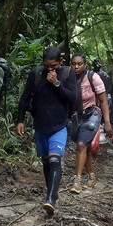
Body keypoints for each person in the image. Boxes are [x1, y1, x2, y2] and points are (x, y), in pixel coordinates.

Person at [16, 47, 76, 215]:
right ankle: (51, 192)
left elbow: (72, 97)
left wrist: (56, 83)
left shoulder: (67, 74)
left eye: (54, 66)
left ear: (60, 62)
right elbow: (25, 98)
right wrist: (20, 120)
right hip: (40, 126)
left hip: (59, 125)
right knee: (45, 162)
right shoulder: (35, 74)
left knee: (55, 160)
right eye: (47, 66)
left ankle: (51, 199)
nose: (50, 69)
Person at [68, 53, 113, 194]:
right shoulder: (67, 77)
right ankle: (92, 177)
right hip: (76, 115)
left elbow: (104, 100)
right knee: (84, 146)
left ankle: (77, 180)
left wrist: (107, 123)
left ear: (85, 64)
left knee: (81, 145)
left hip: (92, 113)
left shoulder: (93, 77)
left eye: (79, 64)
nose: (76, 67)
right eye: (73, 64)